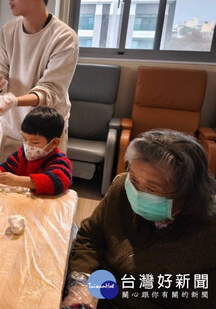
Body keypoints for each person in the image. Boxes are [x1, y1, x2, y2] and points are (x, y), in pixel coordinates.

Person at [62, 130, 216, 309]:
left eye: (151, 189)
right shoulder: (121, 188)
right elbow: (90, 236)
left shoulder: (208, 235)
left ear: (188, 194)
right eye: (133, 179)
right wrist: (81, 287)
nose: (136, 193)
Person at [0, 0, 78, 167]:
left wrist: (15, 100)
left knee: (44, 191)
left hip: (46, 137)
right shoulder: (7, 32)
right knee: (0, 190)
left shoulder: (64, 37)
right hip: (11, 129)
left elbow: (50, 92)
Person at [0, 106, 72, 195]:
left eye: (35, 142)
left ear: (54, 143)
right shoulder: (21, 154)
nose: (28, 146)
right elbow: (8, 166)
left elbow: (56, 183)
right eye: (25, 140)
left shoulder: (59, 161)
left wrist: (18, 180)